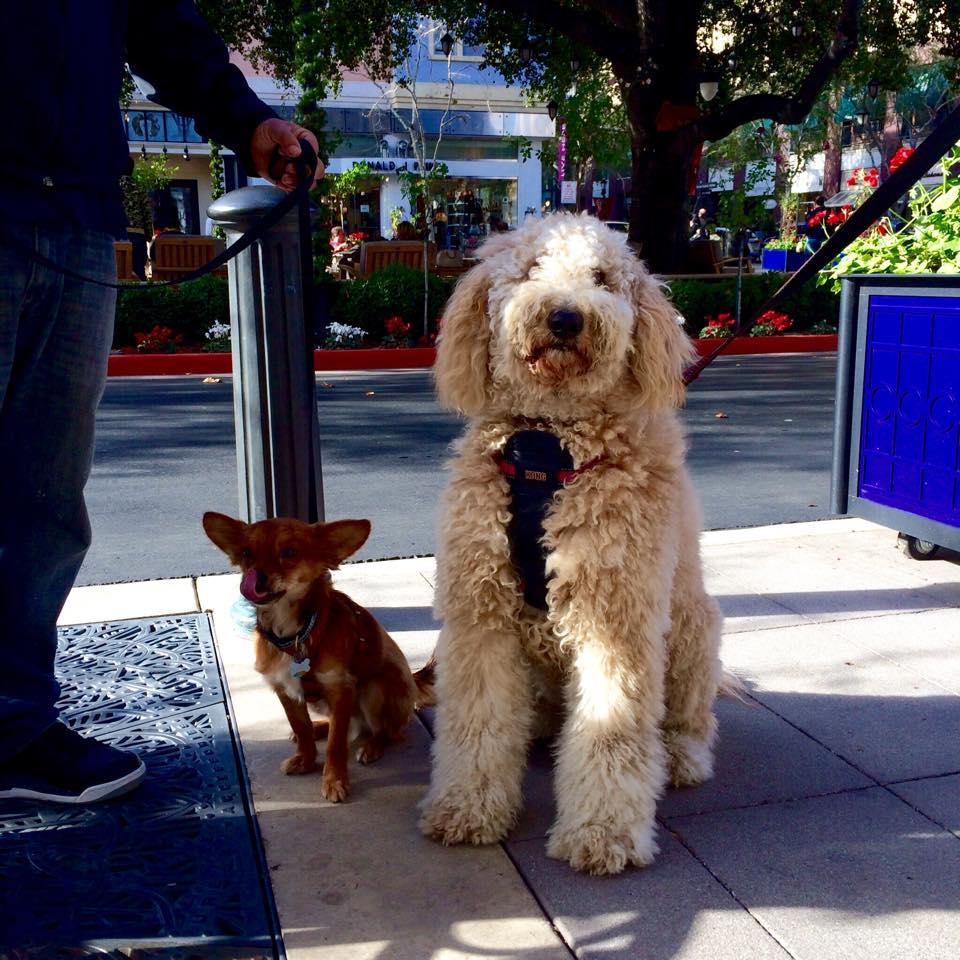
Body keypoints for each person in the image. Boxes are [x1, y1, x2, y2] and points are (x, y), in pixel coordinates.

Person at [0, 3, 322, 805]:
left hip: (72, 214)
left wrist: (248, 121)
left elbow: (161, 26)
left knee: (44, 502)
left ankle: (12, 731)